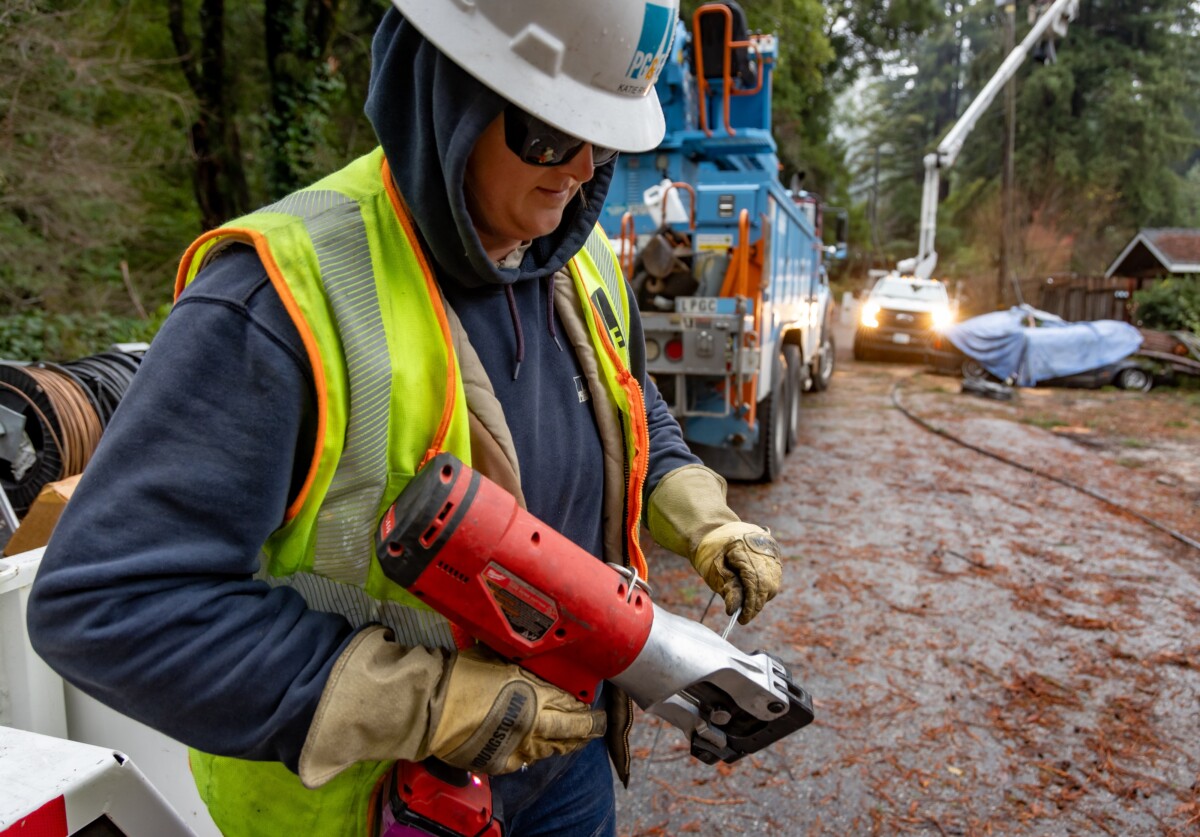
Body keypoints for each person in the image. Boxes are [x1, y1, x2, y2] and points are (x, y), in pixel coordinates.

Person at [27, 2, 784, 835]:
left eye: (602, 136)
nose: (578, 168)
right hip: (375, 803)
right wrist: (428, 701)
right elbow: (105, 604)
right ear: (448, 89)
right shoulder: (277, 302)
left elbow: (632, 411)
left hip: (562, 771)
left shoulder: (582, 257)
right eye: (549, 132)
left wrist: (697, 510)